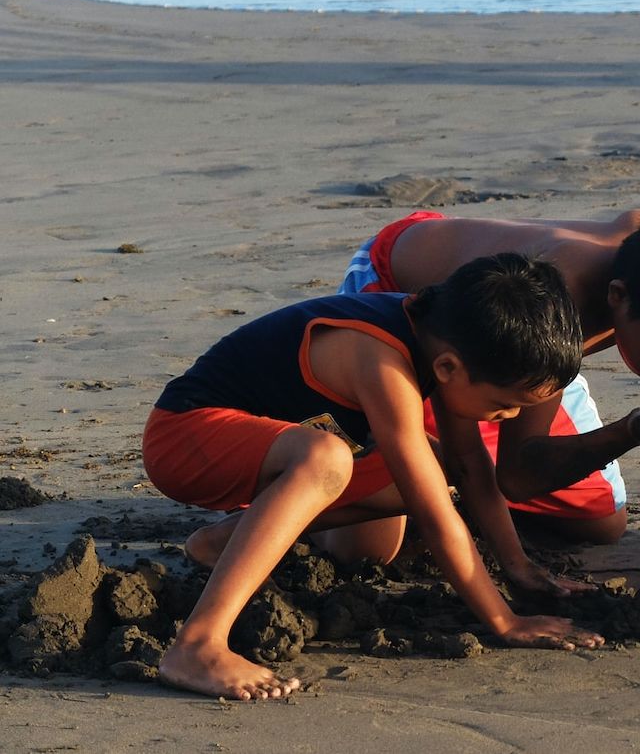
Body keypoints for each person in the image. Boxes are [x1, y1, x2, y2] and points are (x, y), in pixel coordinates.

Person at [142, 253, 604, 701]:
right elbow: (435, 513)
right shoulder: (382, 356)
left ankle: (224, 543)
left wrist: (518, 567)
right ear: (448, 368)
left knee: (374, 542)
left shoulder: (446, 339)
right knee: (329, 458)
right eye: (506, 404)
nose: (510, 417)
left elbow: (469, 466)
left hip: (271, 450)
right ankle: (198, 645)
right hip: (184, 438)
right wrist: (503, 621)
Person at [337, 193, 640, 595]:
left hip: (527, 352)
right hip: (418, 316)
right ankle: (318, 480)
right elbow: (513, 473)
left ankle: (455, 501)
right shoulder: (562, 291)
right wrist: (516, 564)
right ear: (618, 296)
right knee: (370, 549)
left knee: (601, 522)